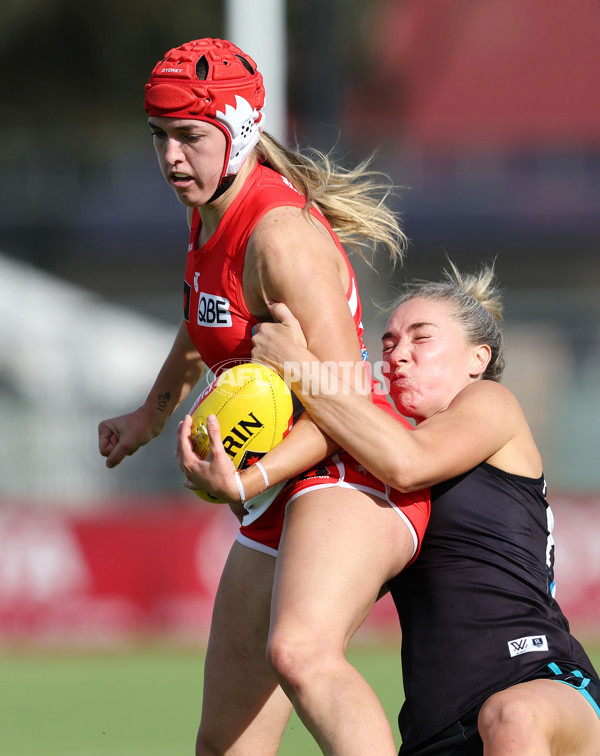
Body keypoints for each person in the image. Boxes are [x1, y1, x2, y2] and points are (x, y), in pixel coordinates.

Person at [99, 37, 429, 755]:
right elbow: (204, 323)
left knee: (302, 655)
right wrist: (149, 418)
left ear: (242, 129)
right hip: (286, 482)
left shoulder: (279, 239)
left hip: (351, 473)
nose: (172, 158)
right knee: (225, 744)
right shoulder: (208, 209)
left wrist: (248, 477)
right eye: (160, 138)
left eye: (189, 136)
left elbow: (346, 405)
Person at [242, 261, 600, 755]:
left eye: (421, 338)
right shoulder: (372, 464)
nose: (397, 355)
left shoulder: (489, 402)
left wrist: (301, 367)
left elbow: (408, 463)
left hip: (541, 681)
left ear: (478, 357)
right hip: (435, 728)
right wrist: (243, 476)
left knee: (511, 717)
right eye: (387, 345)